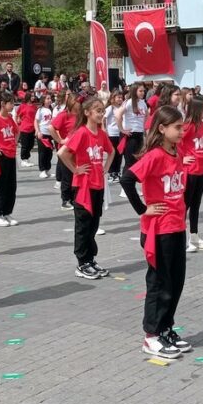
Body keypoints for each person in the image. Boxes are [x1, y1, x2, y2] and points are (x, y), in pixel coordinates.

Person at [119, 105, 192, 360]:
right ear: (162, 128)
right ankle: (151, 335)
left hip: (176, 226)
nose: (182, 132)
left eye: (182, 127)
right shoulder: (154, 156)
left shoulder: (177, 152)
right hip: (158, 230)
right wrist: (143, 209)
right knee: (159, 284)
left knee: (176, 282)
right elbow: (127, 179)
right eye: (177, 127)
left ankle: (166, 328)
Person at [58, 97, 115, 279]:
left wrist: (106, 168)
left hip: (97, 184)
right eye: (98, 110)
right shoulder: (82, 132)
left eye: (102, 110)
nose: (101, 113)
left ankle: (90, 259)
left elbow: (112, 151)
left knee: (93, 224)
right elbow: (62, 153)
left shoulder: (101, 134)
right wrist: (76, 169)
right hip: (83, 186)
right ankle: (82, 263)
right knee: (83, 225)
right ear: (87, 112)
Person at [180, 98, 203, 252]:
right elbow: (174, 142)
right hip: (190, 171)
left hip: (201, 170)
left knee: (196, 205)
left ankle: (194, 236)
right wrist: (181, 158)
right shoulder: (187, 126)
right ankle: (181, 238)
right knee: (185, 205)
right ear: (197, 109)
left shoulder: (202, 125)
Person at [0, 92, 19, 227]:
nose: (13, 105)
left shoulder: (10, 118)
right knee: (0, 186)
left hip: (11, 154)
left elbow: (17, 131)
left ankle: (7, 212)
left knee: (11, 186)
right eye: (10, 103)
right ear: (2, 104)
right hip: (1, 156)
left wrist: (14, 143)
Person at [50, 93, 80, 210]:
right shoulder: (64, 115)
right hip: (66, 151)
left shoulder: (81, 115)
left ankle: (74, 198)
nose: (79, 104)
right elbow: (51, 127)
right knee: (67, 176)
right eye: (77, 102)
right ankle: (65, 200)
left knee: (76, 175)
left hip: (78, 150)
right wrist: (60, 140)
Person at [117, 85, 148, 179]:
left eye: (143, 91)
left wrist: (144, 128)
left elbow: (146, 115)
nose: (143, 93)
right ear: (135, 91)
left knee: (137, 161)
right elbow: (118, 115)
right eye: (140, 91)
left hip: (139, 134)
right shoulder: (129, 102)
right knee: (129, 161)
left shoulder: (142, 103)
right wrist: (122, 129)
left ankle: (131, 181)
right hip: (130, 134)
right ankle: (125, 181)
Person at [104, 91, 124, 183]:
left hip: (120, 133)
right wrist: (104, 129)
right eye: (118, 97)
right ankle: (111, 173)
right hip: (112, 134)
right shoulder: (110, 108)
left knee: (119, 154)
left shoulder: (122, 108)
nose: (120, 99)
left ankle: (117, 172)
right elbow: (103, 118)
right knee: (112, 153)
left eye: (121, 97)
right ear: (113, 98)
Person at [16, 94, 38, 169]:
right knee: (25, 145)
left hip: (32, 127)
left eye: (33, 96)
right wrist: (18, 120)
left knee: (31, 144)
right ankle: (23, 159)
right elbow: (17, 115)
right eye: (32, 96)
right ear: (28, 97)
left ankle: (27, 158)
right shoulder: (23, 106)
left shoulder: (34, 106)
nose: (33, 97)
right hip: (25, 127)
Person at [34, 95, 54, 178]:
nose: (49, 100)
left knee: (49, 153)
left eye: (50, 98)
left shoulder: (52, 109)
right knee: (42, 152)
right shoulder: (40, 110)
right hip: (42, 133)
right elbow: (36, 121)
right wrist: (38, 131)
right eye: (47, 98)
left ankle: (47, 169)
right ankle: (42, 170)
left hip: (50, 134)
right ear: (43, 100)